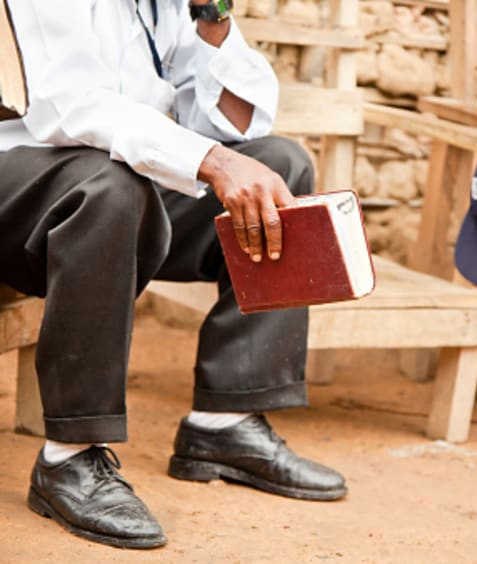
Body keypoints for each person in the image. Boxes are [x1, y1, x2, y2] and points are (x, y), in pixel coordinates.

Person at [0, 0, 346, 550]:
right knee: (109, 188)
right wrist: (214, 162)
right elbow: (68, 107)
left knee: (281, 167)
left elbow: (234, 121)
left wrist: (213, 15)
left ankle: (223, 425)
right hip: (22, 184)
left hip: (120, 184)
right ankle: (69, 457)